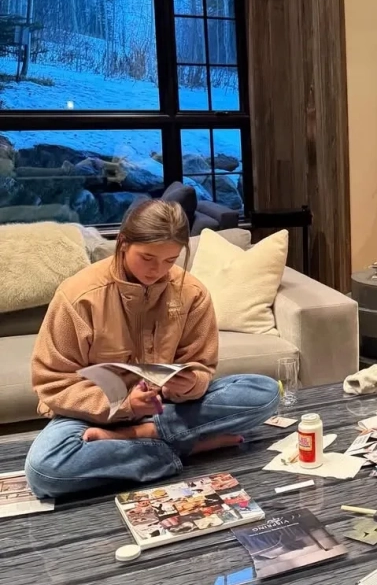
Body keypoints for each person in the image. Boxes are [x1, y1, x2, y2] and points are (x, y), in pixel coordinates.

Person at [25, 200, 279, 499]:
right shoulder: (78, 296)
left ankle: (135, 437)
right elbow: (52, 382)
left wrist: (188, 384)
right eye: (147, 258)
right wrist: (125, 404)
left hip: (166, 409)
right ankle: (187, 446)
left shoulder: (192, 293)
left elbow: (200, 366)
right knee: (46, 470)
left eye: (170, 260)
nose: (157, 270)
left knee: (264, 392)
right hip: (93, 414)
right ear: (123, 243)